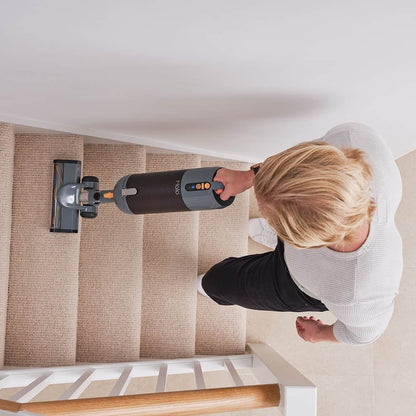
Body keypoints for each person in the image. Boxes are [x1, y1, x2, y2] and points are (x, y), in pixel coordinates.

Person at [197, 122, 403, 345]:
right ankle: (276, 240)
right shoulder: (353, 140)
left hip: (299, 285)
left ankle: (214, 284)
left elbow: (363, 335)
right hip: (305, 252)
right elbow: (305, 159)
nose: (265, 214)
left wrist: (319, 334)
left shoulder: (358, 295)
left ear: (304, 240)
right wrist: (250, 176)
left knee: (218, 282)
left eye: (271, 218)